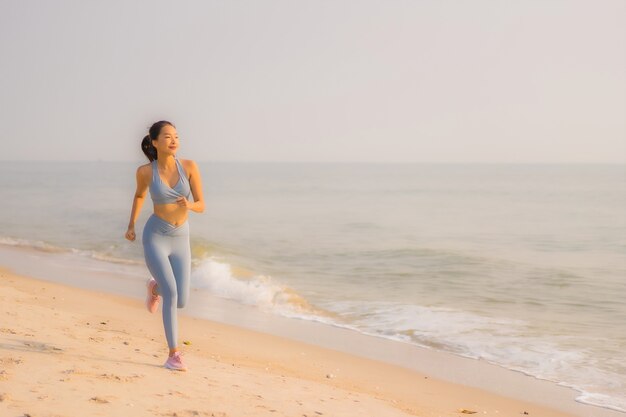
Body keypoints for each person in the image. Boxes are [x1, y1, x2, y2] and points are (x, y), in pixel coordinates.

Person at [125, 120, 205, 371]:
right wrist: (131, 226)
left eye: (177, 136)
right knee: (172, 293)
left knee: (180, 300)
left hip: (181, 237)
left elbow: (202, 203)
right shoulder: (145, 172)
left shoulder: (190, 167)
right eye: (168, 137)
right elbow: (139, 195)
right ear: (155, 141)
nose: (174, 140)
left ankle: (154, 288)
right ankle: (174, 354)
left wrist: (190, 205)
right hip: (156, 235)